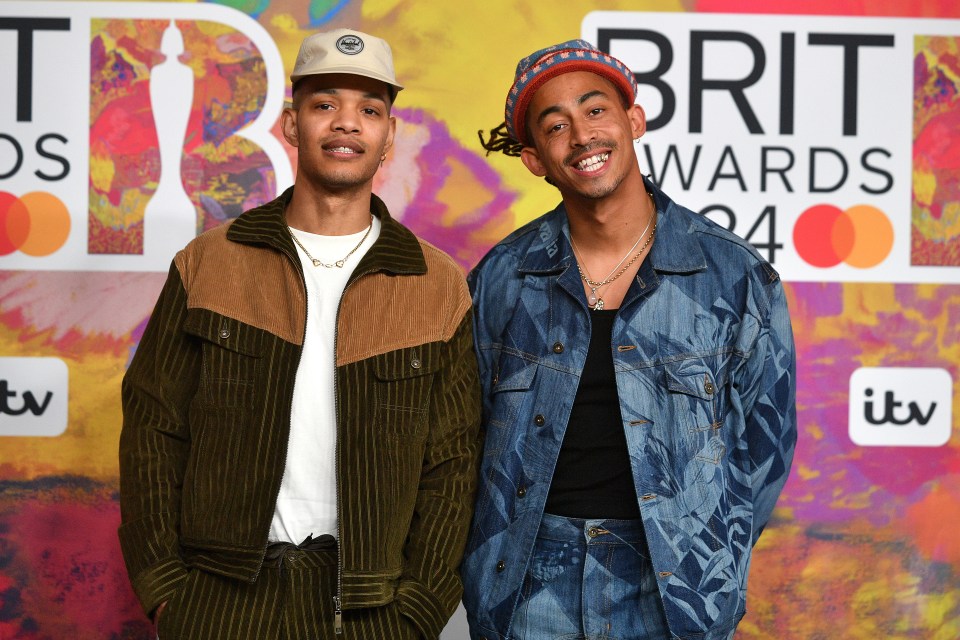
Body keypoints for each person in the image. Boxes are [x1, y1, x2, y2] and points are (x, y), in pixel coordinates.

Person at [119, 28, 481, 640]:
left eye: (369, 110)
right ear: (291, 125)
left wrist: (420, 608)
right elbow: (154, 427)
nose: (347, 124)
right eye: (325, 105)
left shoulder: (435, 283)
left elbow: (455, 463)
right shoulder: (210, 262)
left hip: (370, 608)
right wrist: (166, 591)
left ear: (388, 136)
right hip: (219, 600)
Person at [462, 39, 797, 640]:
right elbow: (466, 437)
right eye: (555, 125)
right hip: (528, 583)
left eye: (596, 111)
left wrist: (711, 556)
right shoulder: (503, 278)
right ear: (535, 159)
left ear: (633, 121)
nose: (582, 136)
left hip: (673, 588)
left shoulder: (733, 276)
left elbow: (764, 451)